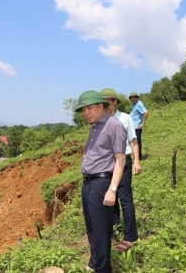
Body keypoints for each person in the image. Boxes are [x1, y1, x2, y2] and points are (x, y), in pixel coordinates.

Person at [75, 90, 127, 273]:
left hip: (102, 183)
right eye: (83, 110)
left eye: (89, 108)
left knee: (101, 231)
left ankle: (103, 269)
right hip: (88, 183)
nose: (86, 113)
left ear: (100, 105)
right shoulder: (95, 126)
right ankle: (95, 261)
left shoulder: (114, 126)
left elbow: (120, 160)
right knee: (91, 228)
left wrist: (112, 189)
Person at [100, 88, 141, 252]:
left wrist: (137, 161)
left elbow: (133, 140)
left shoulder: (125, 118)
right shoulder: (101, 120)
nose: (105, 106)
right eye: (102, 103)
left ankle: (131, 236)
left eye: (108, 102)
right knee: (110, 196)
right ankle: (114, 226)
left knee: (125, 198)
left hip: (123, 162)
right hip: (107, 165)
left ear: (115, 102)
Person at [129, 92, 148, 159]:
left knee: (137, 142)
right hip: (133, 127)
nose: (132, 99)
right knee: (134, 141)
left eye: (134, 97)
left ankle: (139, 157)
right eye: (131, 98)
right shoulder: (134, 105)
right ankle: (136, 155)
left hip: (137, 127)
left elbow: (145, 112)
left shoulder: (139, 104)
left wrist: (143, 123)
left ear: (137, 97)